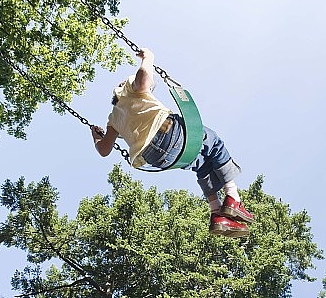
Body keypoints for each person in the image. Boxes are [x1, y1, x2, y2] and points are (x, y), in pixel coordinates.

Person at [90, 48, 254, 238]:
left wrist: (96, 136)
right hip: (168, 133)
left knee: (202, 165)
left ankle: (217, 213)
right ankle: (233, 198)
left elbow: (103, 150)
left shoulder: (113, 120)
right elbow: (142, 81)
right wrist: (148, 59)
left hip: (157, 158)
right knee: (214, 143)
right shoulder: (128, 88)